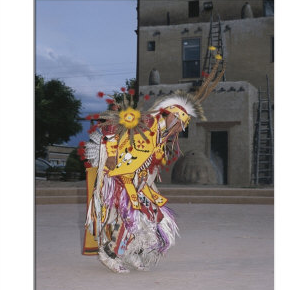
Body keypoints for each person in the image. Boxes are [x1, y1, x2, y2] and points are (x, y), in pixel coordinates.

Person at [83, 57, 225, 273]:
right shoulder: (148, 121)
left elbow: (147, 160)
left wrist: (149, 173)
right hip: (120, 176)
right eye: (180, 126)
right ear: (173, 118)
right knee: (132, 216)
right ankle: (109, 253)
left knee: (154, 216)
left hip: (138, 182)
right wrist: (111, 154)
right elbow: (113, 125)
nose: (180, 131)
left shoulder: (161, 136)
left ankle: (132, 253)